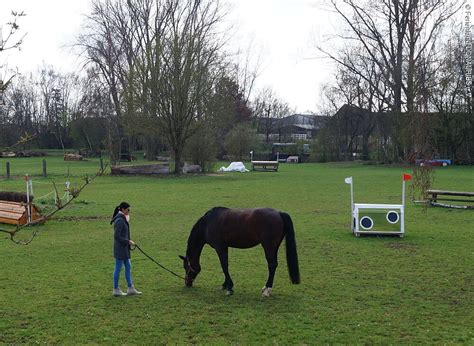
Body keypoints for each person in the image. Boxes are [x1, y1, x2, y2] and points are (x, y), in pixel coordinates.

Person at [110, 202, 142, 296]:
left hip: (123, 248)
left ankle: (130, 288)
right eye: (128, 209)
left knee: (128, 267)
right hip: (120, 249)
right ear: (123, 209)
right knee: (118, 268)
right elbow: (117, 236)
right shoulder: (120, 220)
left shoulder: (122, 218)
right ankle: (116, 289)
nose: (129, 211)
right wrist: (128, 241)